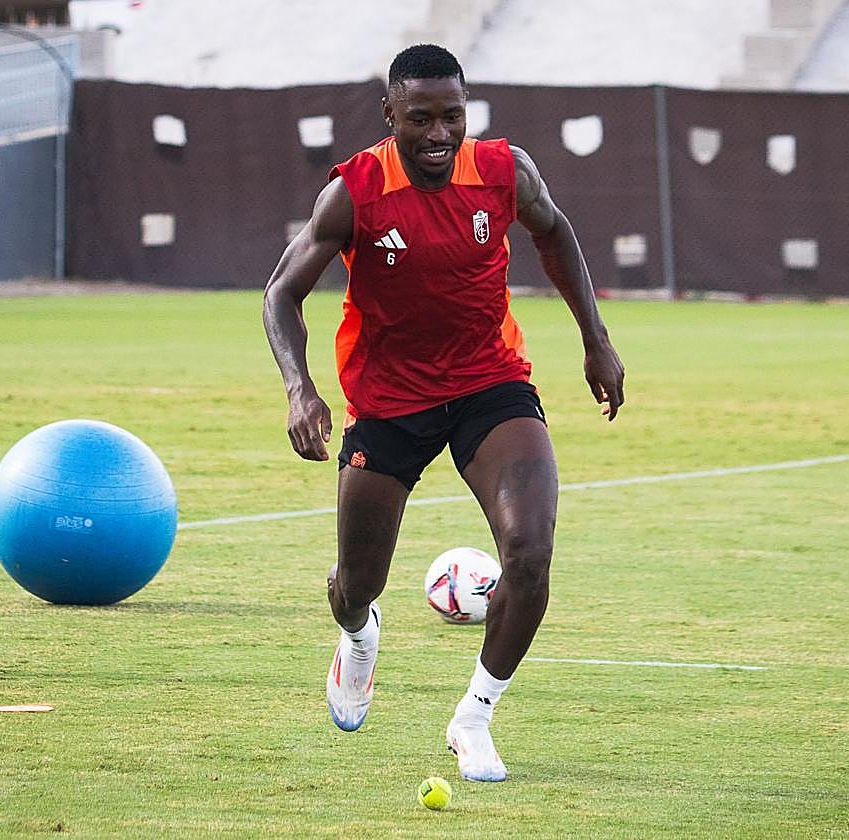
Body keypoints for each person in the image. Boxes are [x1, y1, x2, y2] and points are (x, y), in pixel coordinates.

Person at [262, 43, 624, 783]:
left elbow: (554, 232)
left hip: (490, 385)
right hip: (389, 405)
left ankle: (474, 719)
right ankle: (360, 638)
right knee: (353, 586)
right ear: (388, 115)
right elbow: (280, 294)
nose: (437, 134)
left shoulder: (503, 171)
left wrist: (597, 340)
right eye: (419, 118)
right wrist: (300, 387)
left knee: (530, 554)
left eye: (451, 116)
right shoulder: (356, 191)